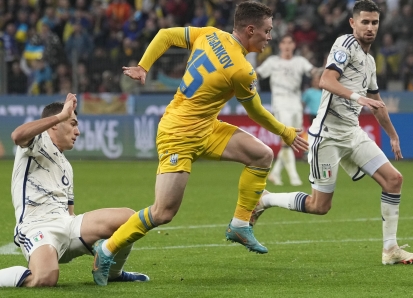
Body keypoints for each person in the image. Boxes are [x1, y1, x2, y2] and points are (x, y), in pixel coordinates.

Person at [91, 1, 309, 286]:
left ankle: (241, 225)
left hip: (205, 127)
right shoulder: (242, 70)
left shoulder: (209, 34)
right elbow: (255, 111)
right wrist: (286, 133)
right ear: (251, 29)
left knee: (261, 156)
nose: (270, 37)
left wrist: (144, 66)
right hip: (178, 133)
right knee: (163, 212)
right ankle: (106, 250)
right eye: (267, 31)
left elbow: (166, 35)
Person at [249, 0, 413, 265]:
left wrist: (393, 135)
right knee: (320, 206)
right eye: (364, 22)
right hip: (327, 135)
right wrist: (357, 97)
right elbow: (326, 80)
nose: (370, 27)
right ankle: (266, 199)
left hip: (352, 134)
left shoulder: (369, 61)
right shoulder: (345, 45)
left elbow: (376, 102)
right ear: (353, 23)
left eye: (374, 22)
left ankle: (390, 250)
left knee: (393, 180)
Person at [0, 94, 149, 288]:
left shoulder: (66, 166)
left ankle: (113, 273)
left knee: (129, 219)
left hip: (68, 226)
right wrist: (61, 115)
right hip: (37, 227)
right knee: (45, 279)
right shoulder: (37, 142)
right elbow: (17, 136)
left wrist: (88, 237)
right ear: (55, 124)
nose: (77, 132)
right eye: (73, 124)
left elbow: (70, 212)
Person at [256, 34, 319, 186]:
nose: (287, 45)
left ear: (294, 45)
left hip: (296, 104)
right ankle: (294, 177)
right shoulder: (273, 62)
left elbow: (314, 72)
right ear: (280, 46)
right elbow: (256, 74)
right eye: (284, 42)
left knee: (292, 141)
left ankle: (275, 173)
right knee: (286, 139)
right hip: (280, 103)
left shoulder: (299, 61)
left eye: (289, 42)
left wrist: (329, 67)